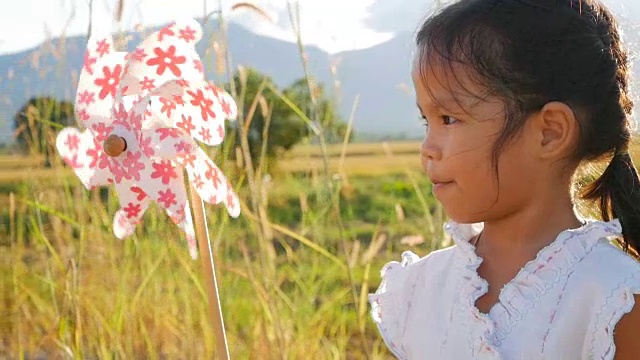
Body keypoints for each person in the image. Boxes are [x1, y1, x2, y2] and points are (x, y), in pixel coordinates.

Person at [368, 0, 640, 358]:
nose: (427, 148)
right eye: (426, 121)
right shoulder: (420, 289)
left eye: (449, 119)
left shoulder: (613, 297)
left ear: (549, 132)